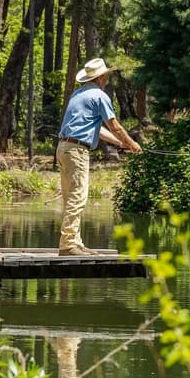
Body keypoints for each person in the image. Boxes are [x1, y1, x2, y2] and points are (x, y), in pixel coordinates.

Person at [57, 58, 142, 256]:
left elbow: (100, 130)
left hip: (64, 147)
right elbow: (115, 126)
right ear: (102, 77)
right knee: (77, 197)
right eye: (106, 76)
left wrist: (121, 144)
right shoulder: (100, 96)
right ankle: (68, 244)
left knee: (71, 197)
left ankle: (74, 243)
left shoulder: (78, 94)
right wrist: (132, 144)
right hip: (77, 150)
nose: (107, 79)